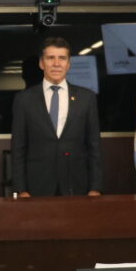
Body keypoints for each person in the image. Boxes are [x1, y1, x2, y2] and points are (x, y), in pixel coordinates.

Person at [11, 37, 102, 197]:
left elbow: (94, 146)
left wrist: (95, 187)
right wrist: (21, 189)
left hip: (77, 184)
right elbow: (18, 147)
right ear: (41, 63)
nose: (56, 63)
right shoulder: (24, 99)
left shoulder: (87, 98)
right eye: (50, 58)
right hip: (36, 186)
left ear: (68, 64)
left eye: (62, 58)